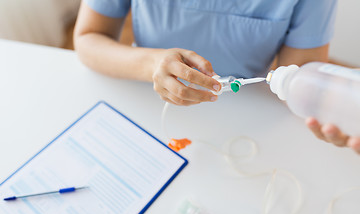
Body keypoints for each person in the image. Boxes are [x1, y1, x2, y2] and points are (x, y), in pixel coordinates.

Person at [73, 0, 360, 154]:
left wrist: (332, 109)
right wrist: (152, 64)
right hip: (141, 111)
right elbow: (88, 39)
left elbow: (300, 79)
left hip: (247, 125)